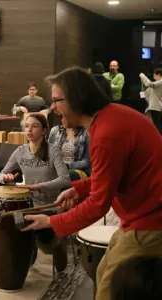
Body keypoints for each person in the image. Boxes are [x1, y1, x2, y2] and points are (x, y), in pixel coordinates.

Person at [22, 66, 162, 300]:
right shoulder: (111, 117)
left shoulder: (106, 133)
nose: (53, 107)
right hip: (142, 218)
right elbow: (114, 174)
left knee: (109, 290)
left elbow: (99, 204)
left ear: (77, 99)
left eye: (56, 100)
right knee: (103, 272)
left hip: (150, 224)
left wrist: (52, 221)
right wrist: (78, 188)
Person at [0, 113, 70, 271]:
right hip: (29, 203)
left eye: (34, 126)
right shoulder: (20, 151)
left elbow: (65, 179)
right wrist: (6, 176)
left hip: (52, 204)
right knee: (13, 222)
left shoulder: (53, 151)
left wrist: (38, 186)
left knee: (38, 233)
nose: (29, 129)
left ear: (44, 131)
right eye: (27, 126)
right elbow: (0, 175)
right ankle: (29, 252)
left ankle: (55, 247)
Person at [140, 69, 162, 134]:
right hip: (152, 107)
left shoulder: (160, 83)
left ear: (158, 74)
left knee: (156, 125)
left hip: (156, 107)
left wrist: (143, 76)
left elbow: (150, 84)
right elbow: (144, 96)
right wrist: (142, 92)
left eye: (154, 75)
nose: (153, 77)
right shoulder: (156, 85)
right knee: (153, 125)